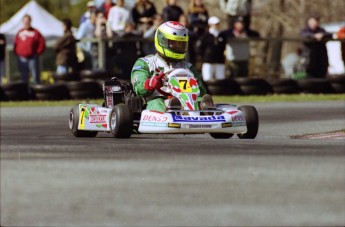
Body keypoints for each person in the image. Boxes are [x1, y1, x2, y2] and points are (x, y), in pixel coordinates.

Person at [131, 21, 213, 112]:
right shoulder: (145, 63)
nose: (178, 47)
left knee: (199, 100)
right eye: (174, 43)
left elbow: (201, 91)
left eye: (181, 44)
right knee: (157, 103)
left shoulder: (187, 66)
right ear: (162, 41)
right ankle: (172, 109)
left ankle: (206, 111)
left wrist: (195, 85)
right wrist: (151, 83)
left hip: (185, 100)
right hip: (157, 99)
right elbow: (138, 87)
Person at [14, 14, 45, 84]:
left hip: (32, 57)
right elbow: (15, 43)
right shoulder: (20, 32)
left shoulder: (35, 32)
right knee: (23, 77)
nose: (26, 23)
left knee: (35, 76)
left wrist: (38, 53)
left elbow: (42, 43)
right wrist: (16, 52)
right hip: (22, 58)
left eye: (27, 21)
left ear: (30, 21)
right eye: (25, 21)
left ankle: (37, 92)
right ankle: (24, 93)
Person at [197, 16, 227, 82]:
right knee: (207, 78)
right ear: (210, 24)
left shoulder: (222, 35)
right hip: (208, 60)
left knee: (220, 78)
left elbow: (224, 46)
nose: (216, 25)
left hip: (219, 60)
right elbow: (201, 48)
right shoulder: (206, 35)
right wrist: (204, 57)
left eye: (217, 24)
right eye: (215, 24)